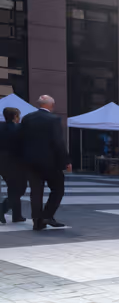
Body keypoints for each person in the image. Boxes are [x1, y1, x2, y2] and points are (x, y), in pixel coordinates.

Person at [20, 95, 70, 230]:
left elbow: (21, 139)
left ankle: (37, 222)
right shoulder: (53, 119)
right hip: (50, 162)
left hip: (30, 161)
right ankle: (47, 215)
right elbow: (58, 142)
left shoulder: (27, 118)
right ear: (51, 105)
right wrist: (65, 161)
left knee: (36, 192)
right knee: (58, 189)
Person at [0, 107, 26, 224]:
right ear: (15, 116)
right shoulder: (19, 129)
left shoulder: (0, 127)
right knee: (19, 189)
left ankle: (17, 215)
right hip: (15, 163)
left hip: (2, 163)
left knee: (13, 188)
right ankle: (2, 209)